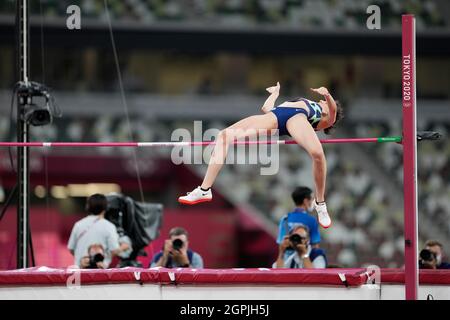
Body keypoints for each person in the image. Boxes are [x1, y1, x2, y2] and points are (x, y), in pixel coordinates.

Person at [178, 82, 344, 228]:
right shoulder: (311, 103)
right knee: (224, 135)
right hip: (276, 117)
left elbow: (333, 114)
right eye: (324, 100)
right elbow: (267, 109)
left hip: (297, 119)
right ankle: (204, 189)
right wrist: (274, 94)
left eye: (326, 102)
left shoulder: (324, 117)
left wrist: (327, 95)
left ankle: (320, 203)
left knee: (317, 153)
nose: (322, 101)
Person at [67, 193, 130, 268]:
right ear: (105, 208)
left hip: (79, 270)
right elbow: (114, 250)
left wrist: (80, 256)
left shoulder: (78, 225)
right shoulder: (109, 226)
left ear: (88, 207)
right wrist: (124, 246)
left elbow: (71, 248)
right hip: (99, 271)